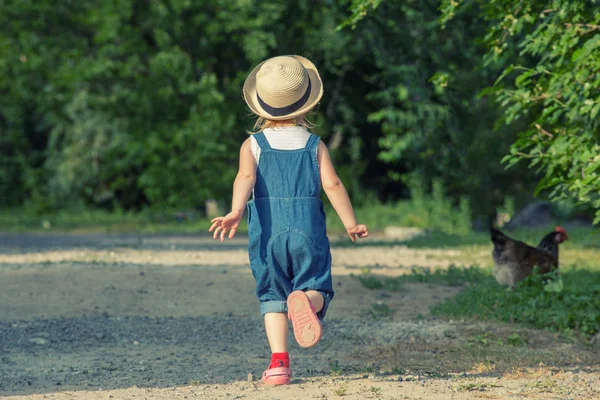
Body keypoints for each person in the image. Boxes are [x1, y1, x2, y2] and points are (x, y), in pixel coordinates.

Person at [209, 55, 368, 385]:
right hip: (307, 229)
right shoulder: (314, 145)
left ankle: (279, 363)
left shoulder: (252, 145)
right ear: (307, 105)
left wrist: (237, 210)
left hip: (268, 234)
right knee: (317, 284)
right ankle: (307, 300)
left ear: (260, 107)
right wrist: (350, 223)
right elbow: (333, 184)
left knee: (272, 295)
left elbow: (244, 177)